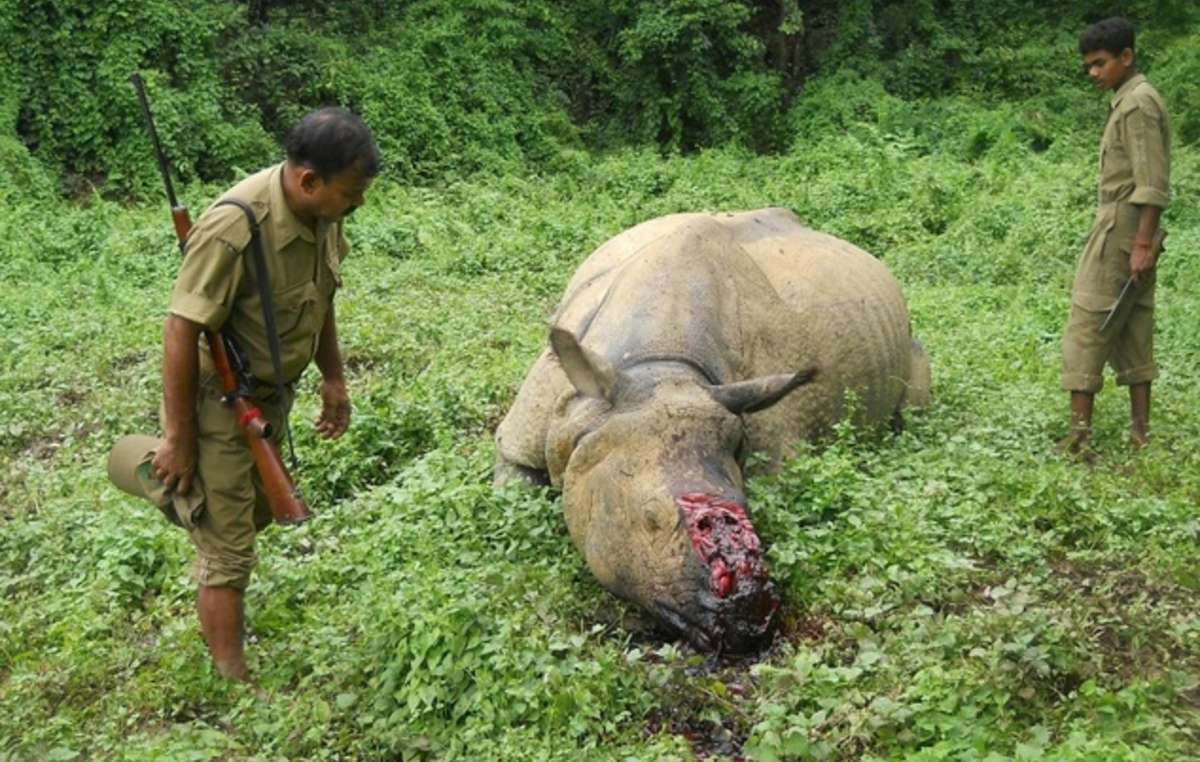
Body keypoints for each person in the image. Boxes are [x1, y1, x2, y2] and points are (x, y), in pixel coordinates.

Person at [107, 107, 380, 682]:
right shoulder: (235, 227)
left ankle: (189, 493)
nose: (356, 206)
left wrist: (333, 377)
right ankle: (233, 679)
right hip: (217, 398)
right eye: (351, 194)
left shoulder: (324, 215)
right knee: (230, 551)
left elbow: (321, 296)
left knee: (251, 512)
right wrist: (181, 439)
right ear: (310, 181)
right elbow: (181, 329)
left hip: (270, 395)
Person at [1059, 17, 1170, 457]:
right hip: (1130, 230)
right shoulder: (1130, 99)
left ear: (1126, 57)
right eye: (1088, 65)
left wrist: (1141, 244)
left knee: (1087, 323)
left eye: (1100, 63)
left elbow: (1152, 184)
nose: (1093, 73)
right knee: (1132, 324)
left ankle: (1078, 437)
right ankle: (1140, 435)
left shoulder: (1137, 104)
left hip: (1123, 230)